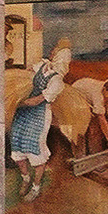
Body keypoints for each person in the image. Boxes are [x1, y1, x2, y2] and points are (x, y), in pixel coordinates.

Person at [9, 43, 70, 201]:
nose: (52, 52)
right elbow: (27, 74)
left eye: (56, 52)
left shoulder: (57, 81)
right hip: (23, 112)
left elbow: (37, 101)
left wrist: (17, 103)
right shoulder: (43, 65)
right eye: (53, 50)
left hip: (38, 114)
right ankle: (25, 178)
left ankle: (35, 187)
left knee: (33, 147)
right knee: (16, 142)